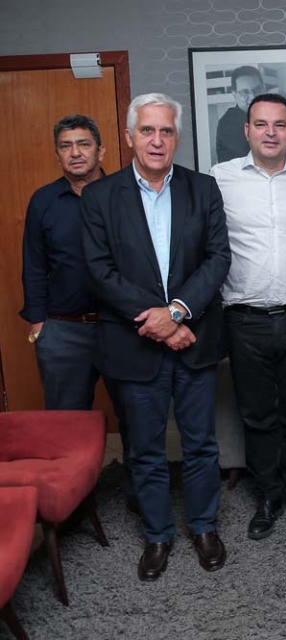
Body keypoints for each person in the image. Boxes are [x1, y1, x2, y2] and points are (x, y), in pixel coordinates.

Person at [81, 93, 231, 581]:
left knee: (200, 444)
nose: (157, 140)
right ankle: (157, 535)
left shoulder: (203, 188)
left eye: (166, 131)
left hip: (194, 338)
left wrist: (178, 312)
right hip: (134, 344)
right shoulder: (101, 197)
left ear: (176, 137)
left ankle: (204, 527)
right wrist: (162, 323)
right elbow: (99, 271)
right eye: (147, 130)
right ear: (129, 137)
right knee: (145, 449)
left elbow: (218, 259)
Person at [211, 93, 286, 541]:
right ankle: (267, 496)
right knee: (257, 415)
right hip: (243, 318)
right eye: (261, 124)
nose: (270, 132)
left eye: (279, 124)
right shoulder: (220, 178)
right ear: (247, 131)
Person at [20, 114, 134, 508]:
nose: (75, 153)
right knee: (65, 423)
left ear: (101, 151)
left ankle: (141, 493)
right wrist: (39, 324)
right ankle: (72, 504)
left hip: (121, 326)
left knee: (134, 414)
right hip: (64, 330)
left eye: (84, 144)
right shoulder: (44, 201)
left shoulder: (126, 194)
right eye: (66, 146)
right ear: (58, 155)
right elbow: (34, 265)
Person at [216, 65, 286, 163]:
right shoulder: (228, 124)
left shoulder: (259, 116)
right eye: (245, 92)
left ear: (263, 89)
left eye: (257, 90)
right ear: (234, 95)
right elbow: (279, 151)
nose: (253, 96)